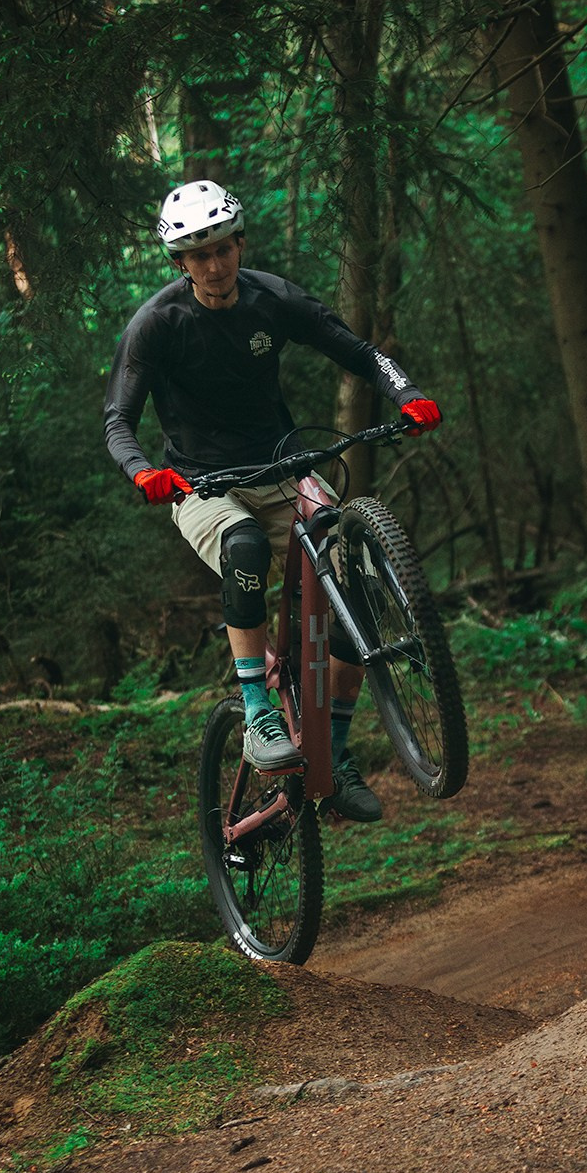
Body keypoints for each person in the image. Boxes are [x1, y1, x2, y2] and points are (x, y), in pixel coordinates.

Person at [103, 179, 440, 824]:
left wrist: (407, 393)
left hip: (285, 470)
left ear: (239, 243)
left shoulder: (271, 299)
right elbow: (118, 419)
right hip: (204, 486)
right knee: (246, 546)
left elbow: (359, 352)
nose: (214, 265)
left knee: (353, 599)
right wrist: (145, 473)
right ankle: (258, 711)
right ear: (181, 263)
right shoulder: (158, 324)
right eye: (198, 256)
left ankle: (333, 758)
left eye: (223, 248)